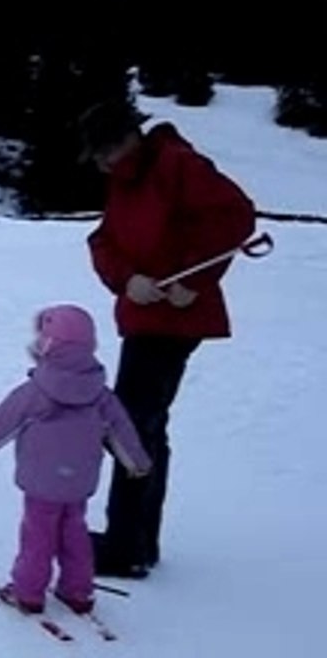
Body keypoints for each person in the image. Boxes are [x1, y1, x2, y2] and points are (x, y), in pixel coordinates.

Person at [77, 100, 256, 578]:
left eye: (104, 151)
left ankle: (125, 547)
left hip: (176, 321)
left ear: (126, 138)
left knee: (131, 425)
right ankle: (137, 541)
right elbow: (102, 242)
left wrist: (192, 281)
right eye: (97, 156)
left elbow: (236, 216)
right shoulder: (124, 181)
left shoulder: (176, 165)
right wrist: (127, 277)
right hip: (141, 316)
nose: (101, 163)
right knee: (144, 424)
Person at [0, 304, 151, 615]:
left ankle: (28, 592)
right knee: (74, 531)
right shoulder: (100, 394)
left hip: (41, 482)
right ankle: (78, 591)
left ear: (48, 345)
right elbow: (122, 429)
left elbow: (2, 422)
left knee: (37, 536)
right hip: (79, 481)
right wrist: (138, 462)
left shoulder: (35, 391)